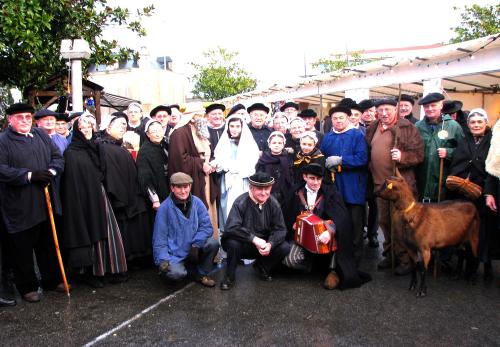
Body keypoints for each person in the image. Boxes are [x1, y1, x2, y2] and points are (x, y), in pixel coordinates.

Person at [0, 103, 65, 303]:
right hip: (19, 204)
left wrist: (51, 172)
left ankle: (52, 280)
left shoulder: (40, 135)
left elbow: (57, 157)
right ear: (10, 119)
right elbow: (2, 169)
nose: (25, 121)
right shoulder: (3, 141)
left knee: (47, 243)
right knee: (23, 248)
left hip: (44, 200)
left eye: (28, 117)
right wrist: (29, 175)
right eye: (20, 117)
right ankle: (27, 286)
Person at [61, 114, 127, 288]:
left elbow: (103, 170)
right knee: (90, 233)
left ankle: (110, 269)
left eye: (89, 127)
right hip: (83, 201)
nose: (86, 131)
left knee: (107, 233)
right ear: (76, 131)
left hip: (100, 196)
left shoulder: (97, 147)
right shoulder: (71, 153)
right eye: (82, 128)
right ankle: (91, 273)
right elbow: (73, 182)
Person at [282, 163, 371, 289]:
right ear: (305, 177)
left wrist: (330, 231)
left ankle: (332, 269)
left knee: (339, 237)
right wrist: (293, 224)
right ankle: (311, 265)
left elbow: (342, 219)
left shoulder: (331, 193)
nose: (316, 182)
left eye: (319, 179)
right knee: (289, 260)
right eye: (312, 178)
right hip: (302, 240)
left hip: (326, 240)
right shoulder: (296, 192)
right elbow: (286, 214)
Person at [365, 98, 424, 275]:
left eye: (388, 109)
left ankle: (405, 259)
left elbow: (419, 155)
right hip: (381, 186)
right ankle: (390, 254)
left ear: (396, 109)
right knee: (385, 222)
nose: (384, 113)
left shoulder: (407, 128)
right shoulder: (374, 127)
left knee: (401, 224)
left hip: (399, 189)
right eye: (380, 109)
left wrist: (403, 156)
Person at [97, 113, 152, 269]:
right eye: (119, 124)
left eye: (124, 124)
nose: (124, 127)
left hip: (131, 193)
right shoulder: (105, 147)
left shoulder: (116, 145)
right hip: (121, 197)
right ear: (108, 127)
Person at [220, 172, 290, 290]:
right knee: (232, 243)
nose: (264, 193)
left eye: (267, 189)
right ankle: (229, 276)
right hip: (243, 245)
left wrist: (270, 244)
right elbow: (231, 227)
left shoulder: (273, 203)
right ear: (251, 188)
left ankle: (262, 267)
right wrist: (253, 239)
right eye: (259, 189)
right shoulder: (240, 202)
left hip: (263, 246)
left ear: (271, 188)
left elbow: (281, 229)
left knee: (285, 247)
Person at [448, 108, 494, 280]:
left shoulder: (492, 142)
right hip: (462, 193)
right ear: (468, 124)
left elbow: (492, 168)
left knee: (477, 232)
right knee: (460, 230)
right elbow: (457, 161)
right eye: (472, 122)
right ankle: (459, 266)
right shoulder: (463, 139)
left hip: (481, 194)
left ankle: (474, 268)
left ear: (486, 123)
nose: (476, 125)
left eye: (479, 122)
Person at [321, 105, 368, 264]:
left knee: (355, 225)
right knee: (336, 222)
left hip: (353, 187)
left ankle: (354, 260)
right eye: (335, 118)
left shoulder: (357, 135)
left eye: (341, 117)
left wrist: (342, 160)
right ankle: (337, 258)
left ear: (348, 118)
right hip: (334, 187)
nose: (338, 121)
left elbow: (362, 159)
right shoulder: (327, 137)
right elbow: (322, 157)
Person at [153, 172, 218, 287]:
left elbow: (207, 227)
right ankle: (177, 270)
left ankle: (201, 274)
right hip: (175, 253)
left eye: (185, 187)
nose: (183, 191)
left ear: (190, 187)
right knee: (176, 274)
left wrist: (195, 244)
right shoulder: (164, 208)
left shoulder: (197, 203)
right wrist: (162, 260)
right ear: (172, 188)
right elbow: (159, 238)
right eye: (179, 187)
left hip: (193, 248)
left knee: (213, 244)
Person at [168, 111, 219, 238]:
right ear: (190, 118)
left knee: (209, 209)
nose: (203, 117)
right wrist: (201, 164)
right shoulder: (179, 133)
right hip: (194, 179)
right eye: (199, 115)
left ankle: (210, 244)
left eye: (203, 114)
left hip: (207, 176)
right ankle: (198, 247)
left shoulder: (201, 130)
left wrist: (212, 163)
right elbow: (180, 159)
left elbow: (208, 151)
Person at [212, 114, 259, 230]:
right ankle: (227, 231)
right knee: (226, 205)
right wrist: (224, 166)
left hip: (242, 180)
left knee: (243, 205)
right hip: (227, 179)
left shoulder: (248, 143)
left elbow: (253, 161)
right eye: (231, 126)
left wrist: (239, 169)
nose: (234, 129)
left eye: (237, 126)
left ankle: (243, 231)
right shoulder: (224, 142)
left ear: (242, 127)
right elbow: (219, 159)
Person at [415, 92, 465, 202]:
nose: (430, 109)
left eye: (433, 105)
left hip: (443, 180)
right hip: (421, 178)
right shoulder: (417, 126)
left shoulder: (453, 126)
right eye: (426, 106)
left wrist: (449, 152)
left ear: (441, 106)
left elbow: (464, 152)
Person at [137, 119, 170, 214]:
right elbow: (144, 178)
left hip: (168, 189)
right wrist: (155, 199)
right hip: (157, 195)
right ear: (147, 134)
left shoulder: (165, 145)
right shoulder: (144, 151)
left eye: (159, 131)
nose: (157, 134)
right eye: (154, 132)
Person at [255, 131, 293, 207]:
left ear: (283, 145)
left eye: (279, 143)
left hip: (285, 194)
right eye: (274, 143)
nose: (277, 145)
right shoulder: (263, 160)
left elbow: (291, 176)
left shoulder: (288, 158)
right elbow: (258, 178)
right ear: (269, 144)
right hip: (267, 194)